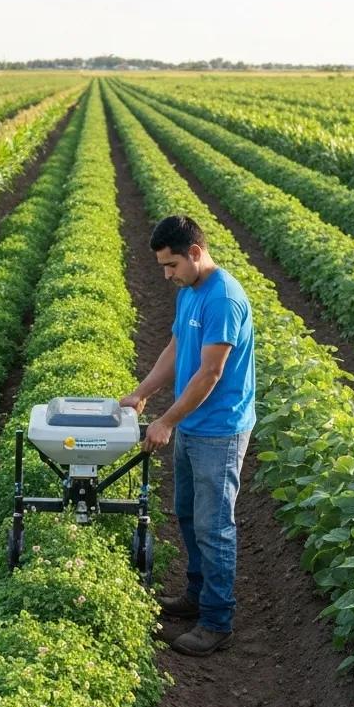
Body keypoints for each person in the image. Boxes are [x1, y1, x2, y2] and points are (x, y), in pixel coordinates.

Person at [120, 214, 255, 657]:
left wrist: (167, 421)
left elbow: (210, 373)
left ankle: (217, 622)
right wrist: (142, 394)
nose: (167, 275)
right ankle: (196, 597)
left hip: (219, 430)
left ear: (195, 253)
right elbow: (177, 350)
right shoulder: (191, 293)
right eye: (162, 266)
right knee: (187, 515)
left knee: (215, 527)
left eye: (171, 265)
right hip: (193, 425)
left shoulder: (223, 300)